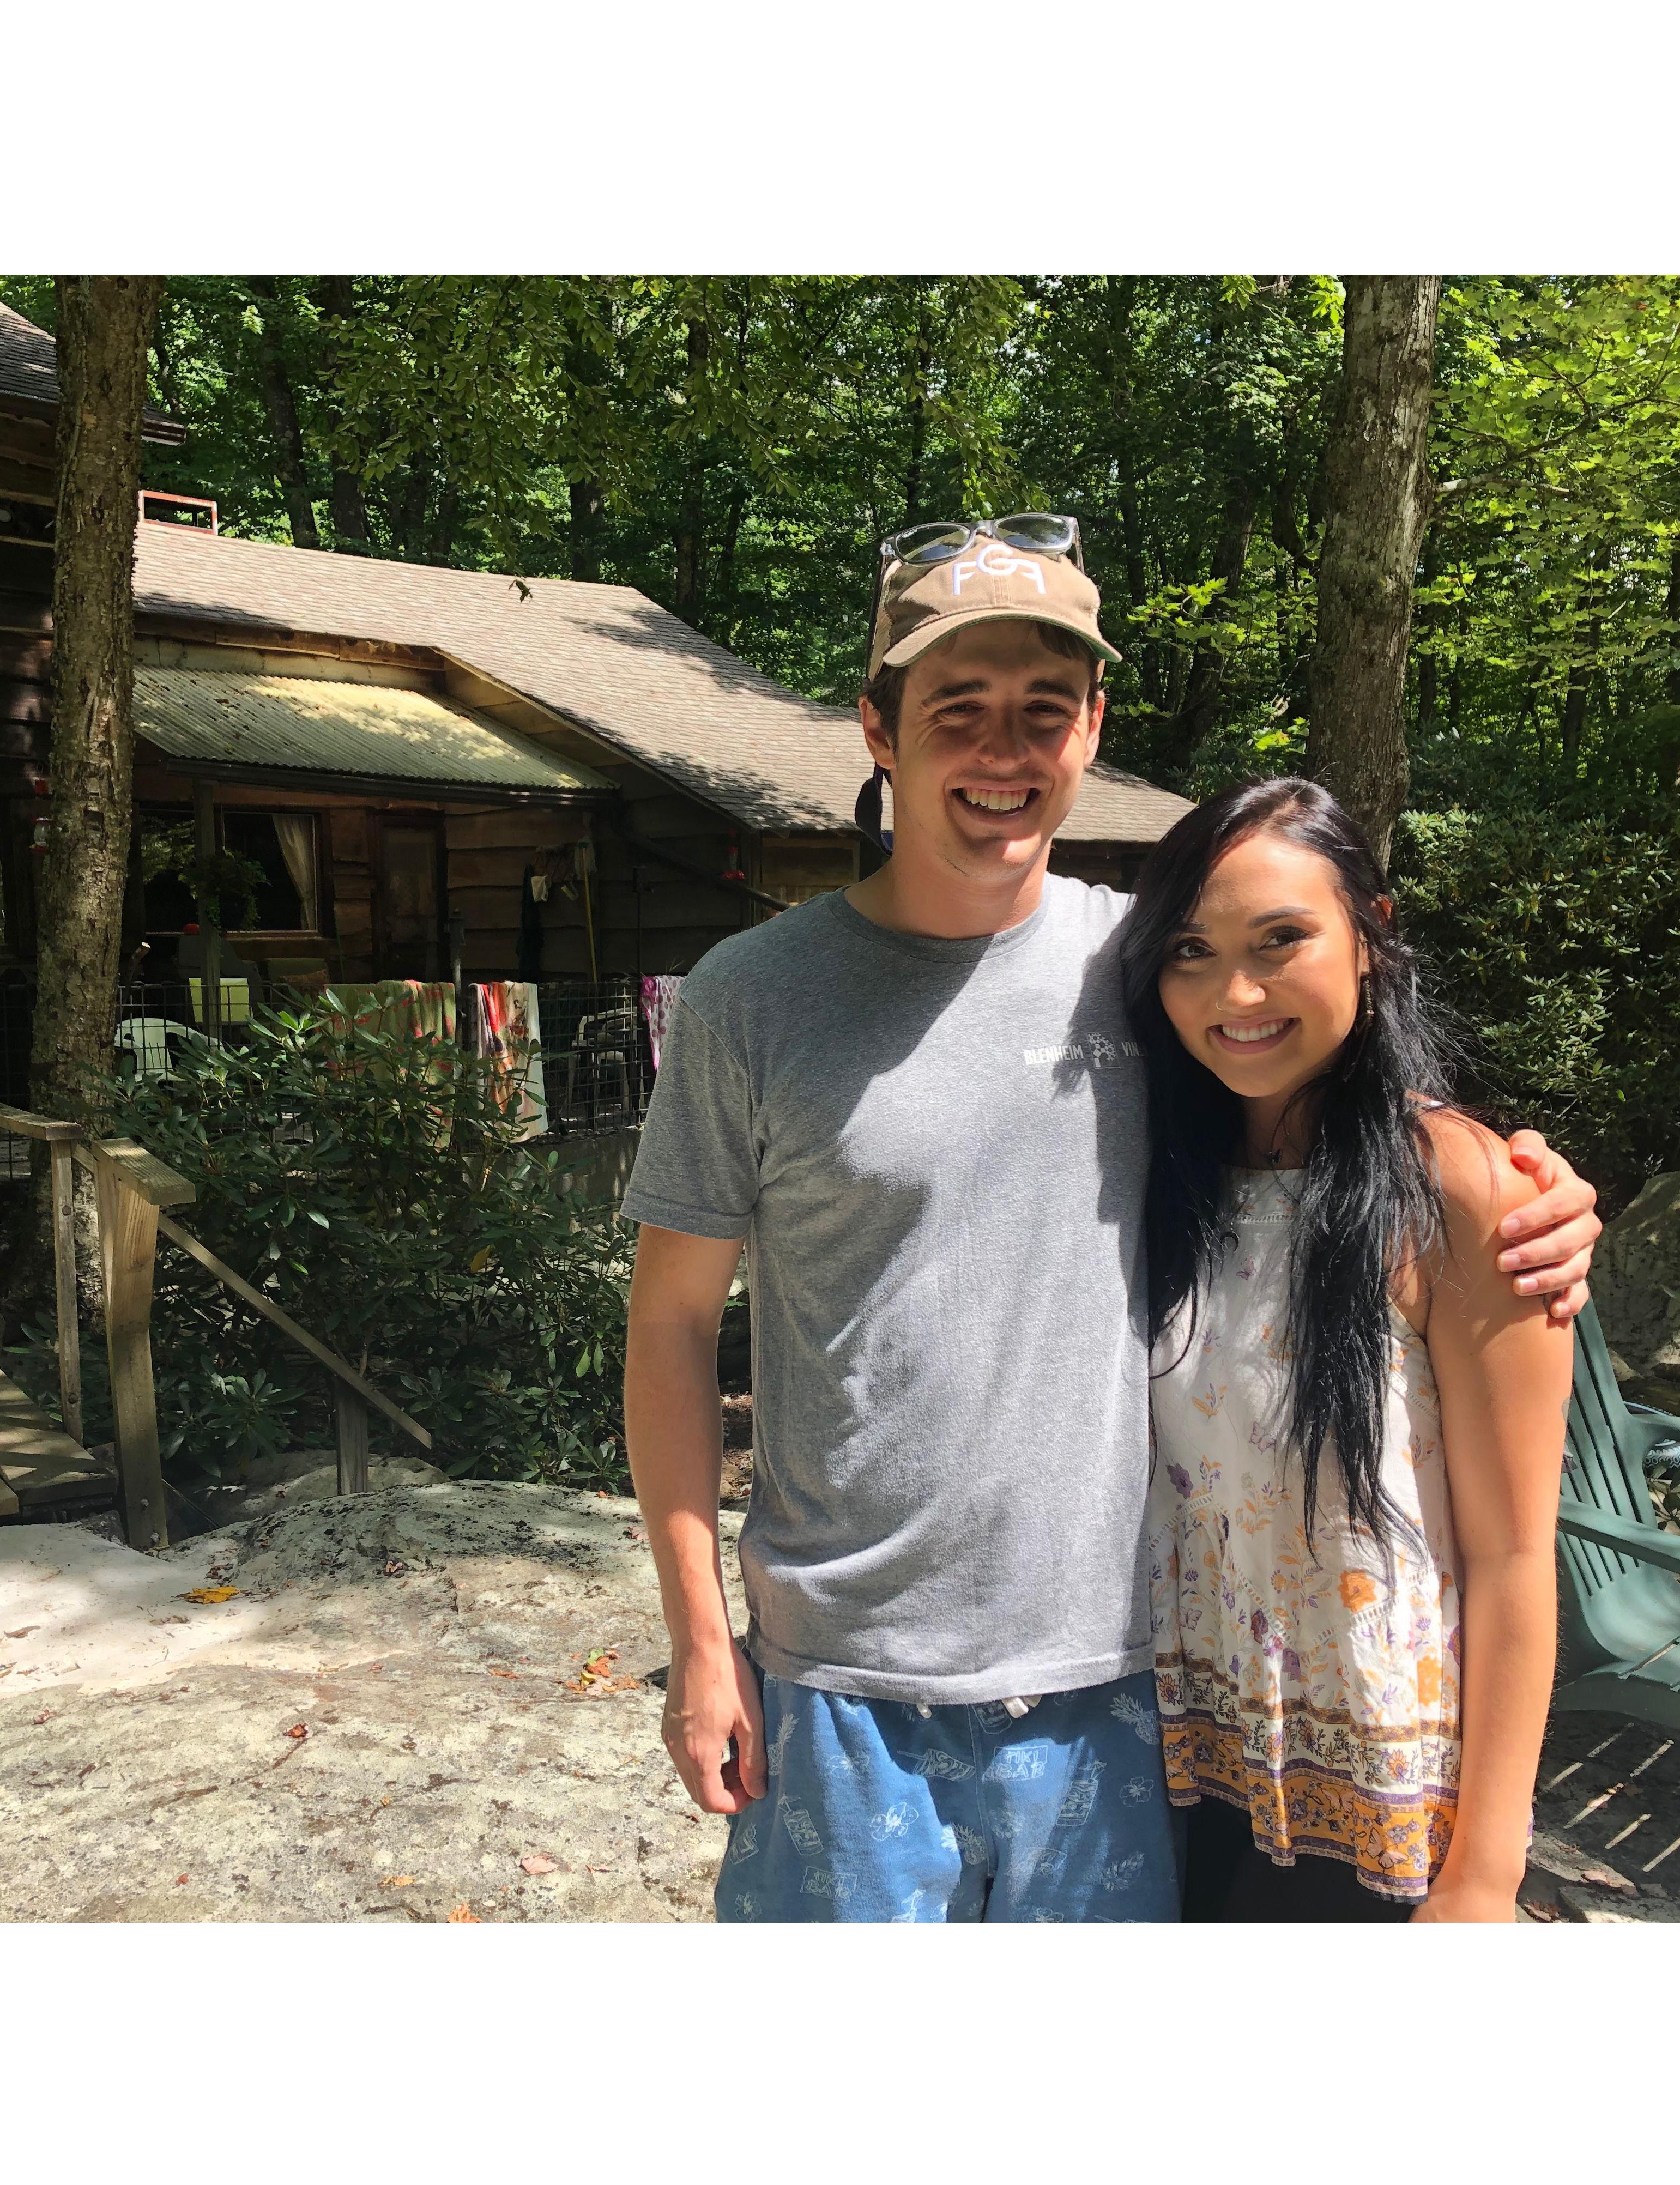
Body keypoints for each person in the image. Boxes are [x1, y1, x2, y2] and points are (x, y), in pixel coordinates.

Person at [620, 516, 1599, 1922]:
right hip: (838, 1688)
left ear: (1093, 728)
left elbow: (1324, 1071)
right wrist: (702, 1642)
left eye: (1044, 709)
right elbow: (666, 1329)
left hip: (1124, 1696)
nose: (1003, 752)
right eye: (957, 709)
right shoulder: (750, 1000)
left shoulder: (1142, 968)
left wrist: (1526, 1192)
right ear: (879, 731)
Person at [1122, 778, 1572, 1922]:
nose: (1237, 992)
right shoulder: (1157, 1172)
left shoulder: (1460, 1190)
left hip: (1381, 1794)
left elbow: (1518, 1558)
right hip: (1174, 1764)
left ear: (1372, 937)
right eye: (1190, 950)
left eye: (1284, 940)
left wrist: (1485, 1873)